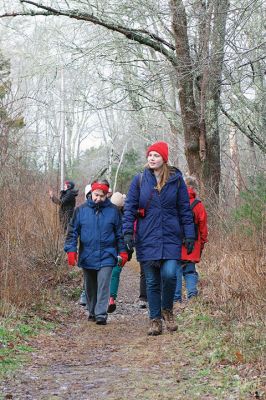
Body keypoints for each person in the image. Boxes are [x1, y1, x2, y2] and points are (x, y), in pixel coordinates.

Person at [123, 141, 195, 336]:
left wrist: (189, 234)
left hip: (171, 236)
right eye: (150, 155)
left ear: (164, 158)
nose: (152, 158)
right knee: (152, 282)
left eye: (156, 155)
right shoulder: (139, 180)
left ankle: (167, 310)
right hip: (147, 236)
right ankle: (154, 319)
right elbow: (129, 208)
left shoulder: (176, 180)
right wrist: (128, 232)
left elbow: (185, 209)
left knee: (171, 274)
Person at [64, 179, 128, 325]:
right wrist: (71, 250)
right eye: (96, 194)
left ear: (107, 195)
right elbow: (72, 231)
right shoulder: (81, 210)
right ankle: (92, 311)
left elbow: (119, 234)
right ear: (91, 193)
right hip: (87, 254)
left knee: (103, 283)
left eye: (102, 195)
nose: (98, 198)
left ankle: (101, 313)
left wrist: (122, 251)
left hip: (108, 254)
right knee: (90, 286)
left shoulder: (113, 211)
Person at [174, 176, 208, 308]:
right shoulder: (198, 205)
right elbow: (203, 227)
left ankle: (176, 300)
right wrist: (202, 242)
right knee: (190, 271)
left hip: (176, 243)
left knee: (176, 270)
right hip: (193, 244)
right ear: (194, 188)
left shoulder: (175, 203)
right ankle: (192, 297)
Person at [107, 192, 133, 313]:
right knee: (113, 273)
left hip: (118, 250)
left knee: (113, 272)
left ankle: (110, 298)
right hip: (112, 249)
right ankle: (110, 298)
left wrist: (128, 251)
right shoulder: (123, 216)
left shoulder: (125, 218)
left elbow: (128, 236)